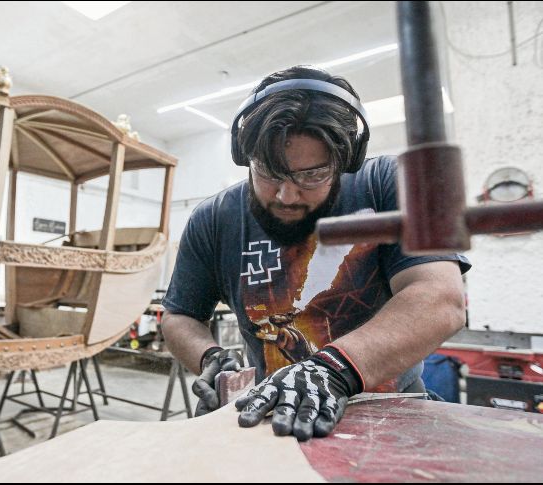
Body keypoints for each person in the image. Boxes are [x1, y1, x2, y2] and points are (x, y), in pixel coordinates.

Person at [160, 65, 471, 441]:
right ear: (245, 157)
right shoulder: (213, 219)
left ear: (346, 161)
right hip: (277, 418)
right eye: (269, 172)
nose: (286, 196)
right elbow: (180, 316)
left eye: (312, 176)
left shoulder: (386, 183)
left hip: (391, 415)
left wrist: (333, 369)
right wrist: (210, 357)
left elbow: (440, 298)